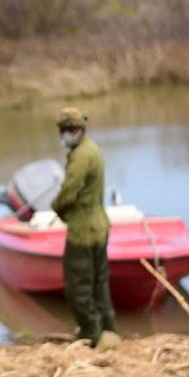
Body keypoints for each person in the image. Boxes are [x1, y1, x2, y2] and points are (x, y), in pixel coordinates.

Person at [51, 107, 119, 349]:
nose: (66, 133)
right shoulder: (93, 149)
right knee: (99, 283)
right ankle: (108, 330)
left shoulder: (80, 156)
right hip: (100, 226)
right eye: (64, 129)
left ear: (80, 129)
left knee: (78, 287)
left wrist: (56, 207)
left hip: (83, 231)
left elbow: (69, 190)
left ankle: (91, 334)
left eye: (70, 129)